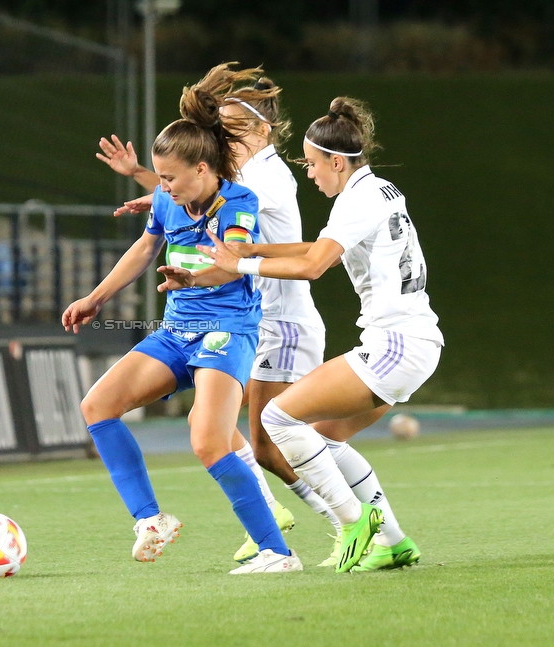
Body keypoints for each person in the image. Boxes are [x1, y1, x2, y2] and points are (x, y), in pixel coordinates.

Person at [99, 67, 417, 571]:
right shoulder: (245, 175)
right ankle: (299, 522)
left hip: (280, 322)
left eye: (231, 126)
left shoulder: (265, 177)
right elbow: (195, 185)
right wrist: (156, 186)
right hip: (259, 319)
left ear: (261, 131)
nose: (222, 136)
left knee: (274, 437)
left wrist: (162, 192)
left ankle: (348, 527)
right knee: (231, 431)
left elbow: (217, 209)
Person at [168, 96, 443, 572]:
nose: (310, 174)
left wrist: (242, 262)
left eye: (314, 164)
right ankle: (393, 541)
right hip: (415, 341)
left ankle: (353, 523)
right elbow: (318, 246)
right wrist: (254, 246)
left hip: (395, 344)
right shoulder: (378, 189)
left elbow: (316, 265)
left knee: (277, 419)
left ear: (337, 161)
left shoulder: (355, 199)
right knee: (327, 440)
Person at [65, 65, 302, 574]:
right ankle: (150, 520)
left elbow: (233, 259)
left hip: (227, 331)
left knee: (207, 441)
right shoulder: (171, 201)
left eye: (169, 178)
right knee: (98, 407)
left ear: (202, 169)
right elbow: (145, 247)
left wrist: (194, 279)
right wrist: (96, 297)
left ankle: (278, 554)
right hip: (176, 332)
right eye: (159, 178)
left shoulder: (239, 201)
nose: (162, 188)